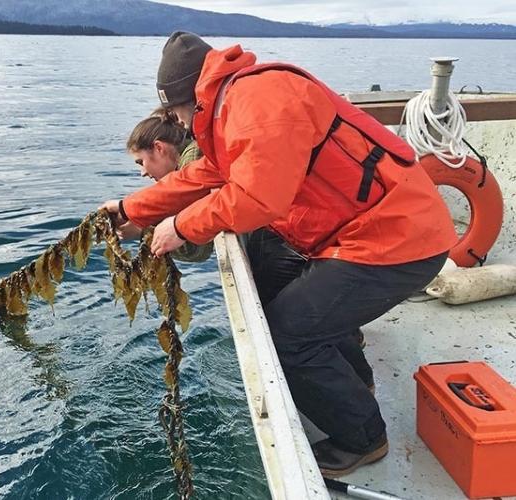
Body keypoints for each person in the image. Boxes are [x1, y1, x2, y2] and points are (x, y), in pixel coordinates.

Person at [102, 31, 457, 478]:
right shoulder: (233, 104)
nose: (175, 120)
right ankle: (357, 384)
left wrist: (180, 226)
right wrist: (127, 208)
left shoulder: (258, 98)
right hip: (361, 233)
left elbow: (257, 198)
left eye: (173, 108)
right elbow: (202, 175)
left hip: (396, 239)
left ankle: (364, 438)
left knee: (290, 333)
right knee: (312, 310)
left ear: (190, 95)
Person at [123, 108, 213, 263]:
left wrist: (142, 230)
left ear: (159, 147)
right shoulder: (192, 156)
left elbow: (198, 249)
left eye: (141, 162)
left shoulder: (193, 160)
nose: (142, 173)